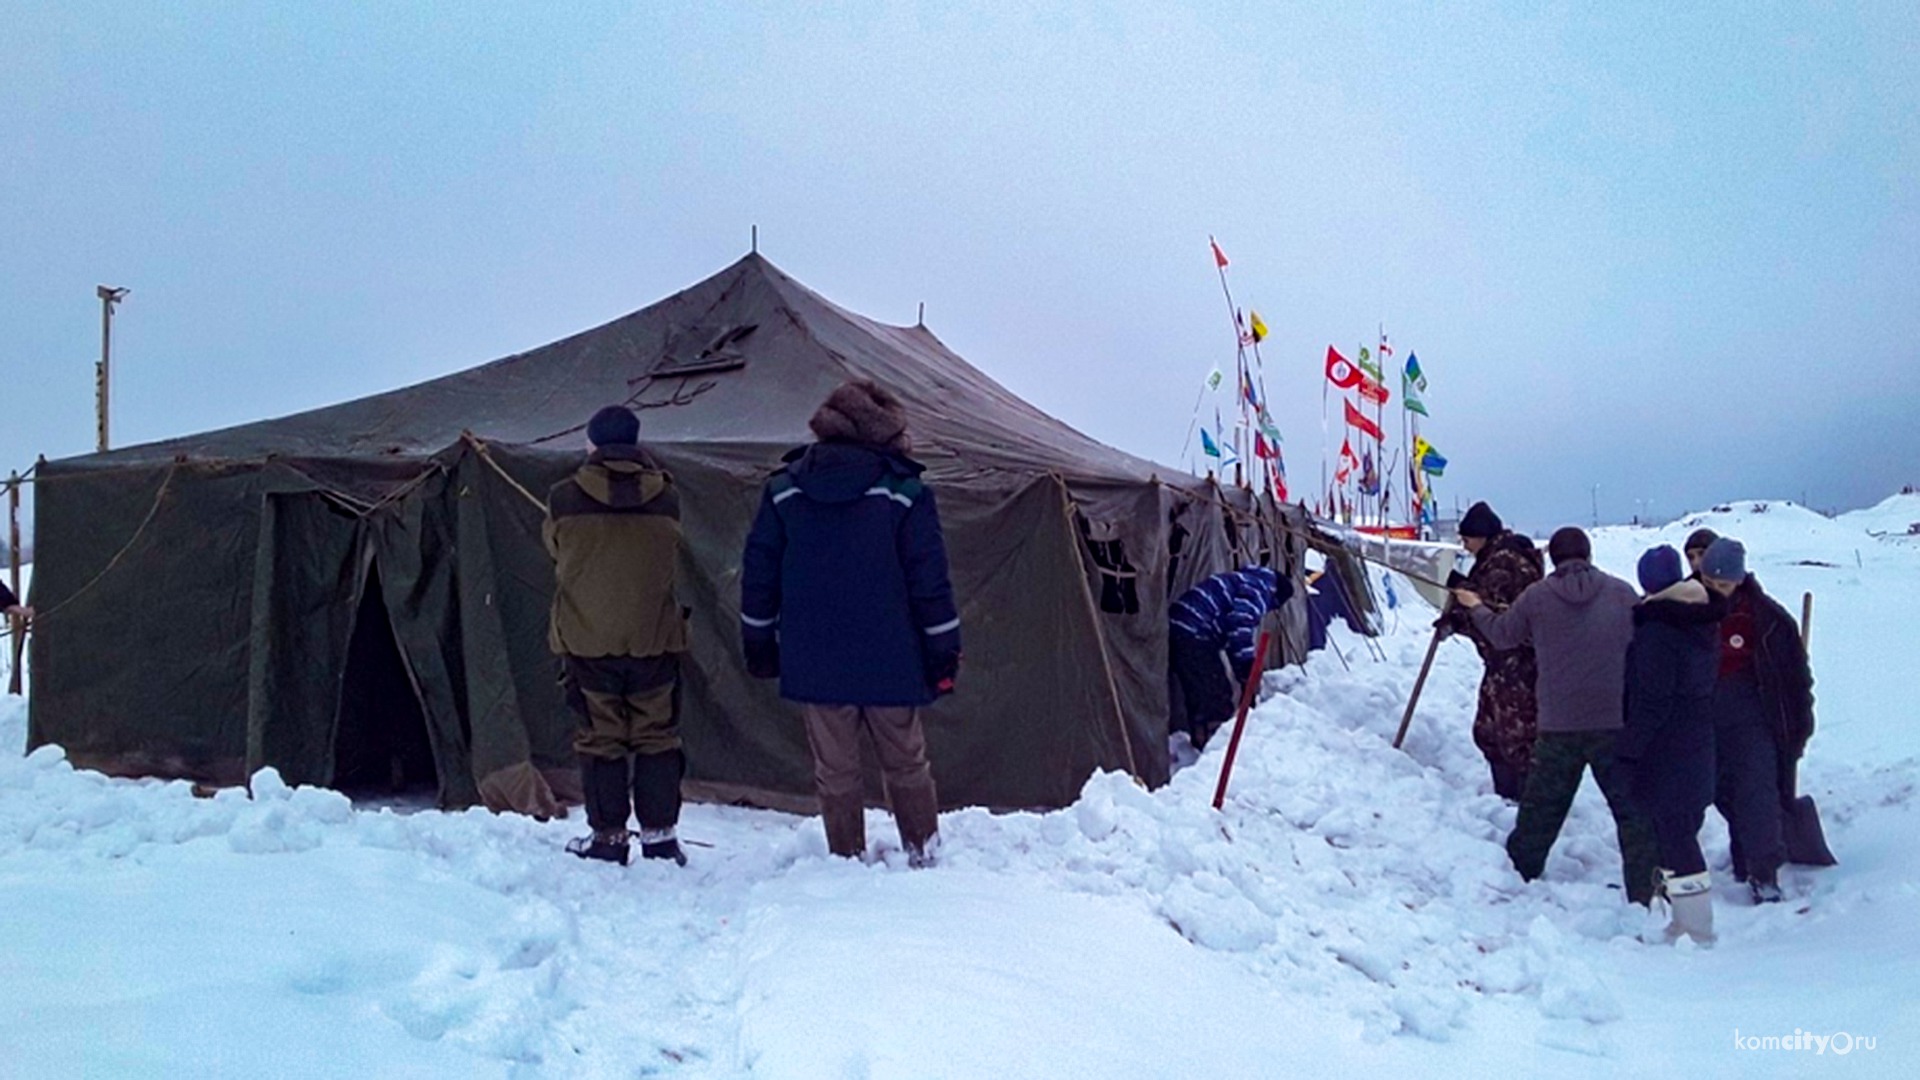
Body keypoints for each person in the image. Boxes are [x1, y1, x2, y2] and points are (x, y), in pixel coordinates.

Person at [740, 380, 959, 867]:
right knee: (906, 761)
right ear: (885, 432)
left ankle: (845, 861)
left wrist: (758, 637)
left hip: (813, 653)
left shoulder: (784, 489)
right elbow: (930, 582)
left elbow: (760, 573)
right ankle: (924, 853)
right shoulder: (904, 492)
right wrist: (944, 646)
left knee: (835, 769)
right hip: (892, 654)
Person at [1455, 527, 1658, 904]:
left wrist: (1475, 606)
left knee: (1541, 811)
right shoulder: (1621, 593)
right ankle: (1645, 892)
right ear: (1589, 554)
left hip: (1559, 723)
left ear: (1554, 558)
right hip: (1613, 720)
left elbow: (1502, 635)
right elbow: (1646, 643)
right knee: (1632, 813)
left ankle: (1518, 880)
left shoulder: (1538, 597)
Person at [545, 405, 690, 867]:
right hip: (654, 638)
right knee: (657, 737)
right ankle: (660, 837)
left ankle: (608, 838)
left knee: (600, 739)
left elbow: (555, 550)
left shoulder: (562, 498)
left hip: (587, 639)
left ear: (592, 443)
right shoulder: (667, 497)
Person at [1618, 545, 1727, 944]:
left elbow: (1652, 699)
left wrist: (1630, 747)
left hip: (1668, 749)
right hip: (1694, 741)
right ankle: (1685, 918)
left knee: (1677, 835)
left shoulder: (1659, 630)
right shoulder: (1696, 617)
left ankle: (1699, 928)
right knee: (1676, 830)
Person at [1699, 537, 1815, 904]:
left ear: (1739, 578)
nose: (1717, 591)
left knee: (1757, 792)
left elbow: (1796, 677)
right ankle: (1743, 851)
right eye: (1710, 583)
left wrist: (1799, 723)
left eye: (1724, 584)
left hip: (1753, 714)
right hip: (1702, 714)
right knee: (1716, 788)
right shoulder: (1687, 606)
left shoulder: (1768, 618)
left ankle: (1764, 872)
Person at [1437, 501, 1544, 799]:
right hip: (1503, 665)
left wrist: (1464, 608)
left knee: (1515, 736)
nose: (1465, 545)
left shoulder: (1503, 563)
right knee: (1490, 731)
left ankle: (1525, 801)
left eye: (1467, 539)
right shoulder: (1498, 558)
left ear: (1482, 535)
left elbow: (1495, 619)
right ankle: (1508, 797)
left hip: (1517, 665)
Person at [1168, 566, 1294, 750]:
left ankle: (1200, 741)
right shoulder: (1260, 590)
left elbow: (1228, 634)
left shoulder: (1244, 581)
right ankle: (1214, 749)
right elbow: (1239, 624)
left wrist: (1242, 673)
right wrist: (1247, 664)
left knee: (1200, 691)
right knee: (1215, 695)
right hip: (1194, 630)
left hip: (1181, 625)